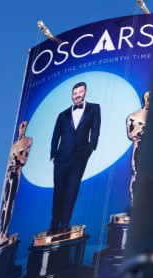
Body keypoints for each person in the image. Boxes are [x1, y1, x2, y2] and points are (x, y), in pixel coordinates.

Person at [50, 82, 101, 234]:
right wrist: (53, 155)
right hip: (62, 157)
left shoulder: (94, 108)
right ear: (72, 96)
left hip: (80, 156)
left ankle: (65, 222)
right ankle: (54, 223)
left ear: (85, 92)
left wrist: (91, 147)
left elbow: (96, 128)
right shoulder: (62, 115)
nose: (77, 95)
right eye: (74, 93)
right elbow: (55, 136)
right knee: (59, 190)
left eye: (80, 92)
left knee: (72, 189)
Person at [0, 121, 33, 246]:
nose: (22, 128)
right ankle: (0, 234)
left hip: (15, 173)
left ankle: (4, 233)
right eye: (21, 126)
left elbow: (23, 160)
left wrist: (16, 161)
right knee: (4, 204)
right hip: (8, 174)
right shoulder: (13, 145)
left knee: (9, 203)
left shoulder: (28, 141)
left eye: (24, 126)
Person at [126, 91, 149, 206]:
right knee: (137, 175)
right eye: (147, 97)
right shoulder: (134, 116)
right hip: (140, 148)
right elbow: (131, 135)